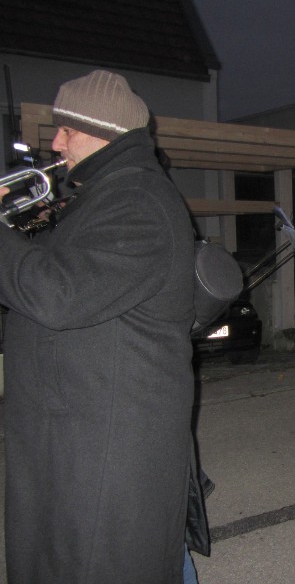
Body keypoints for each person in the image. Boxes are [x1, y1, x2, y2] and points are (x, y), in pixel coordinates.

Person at [0, 70, 196, 582]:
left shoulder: (138, 201)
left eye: (66, 129)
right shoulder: (103, 197)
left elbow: (58, 295)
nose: (56, 143)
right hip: (78, 436)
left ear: (102, 131)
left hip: (107, 450)